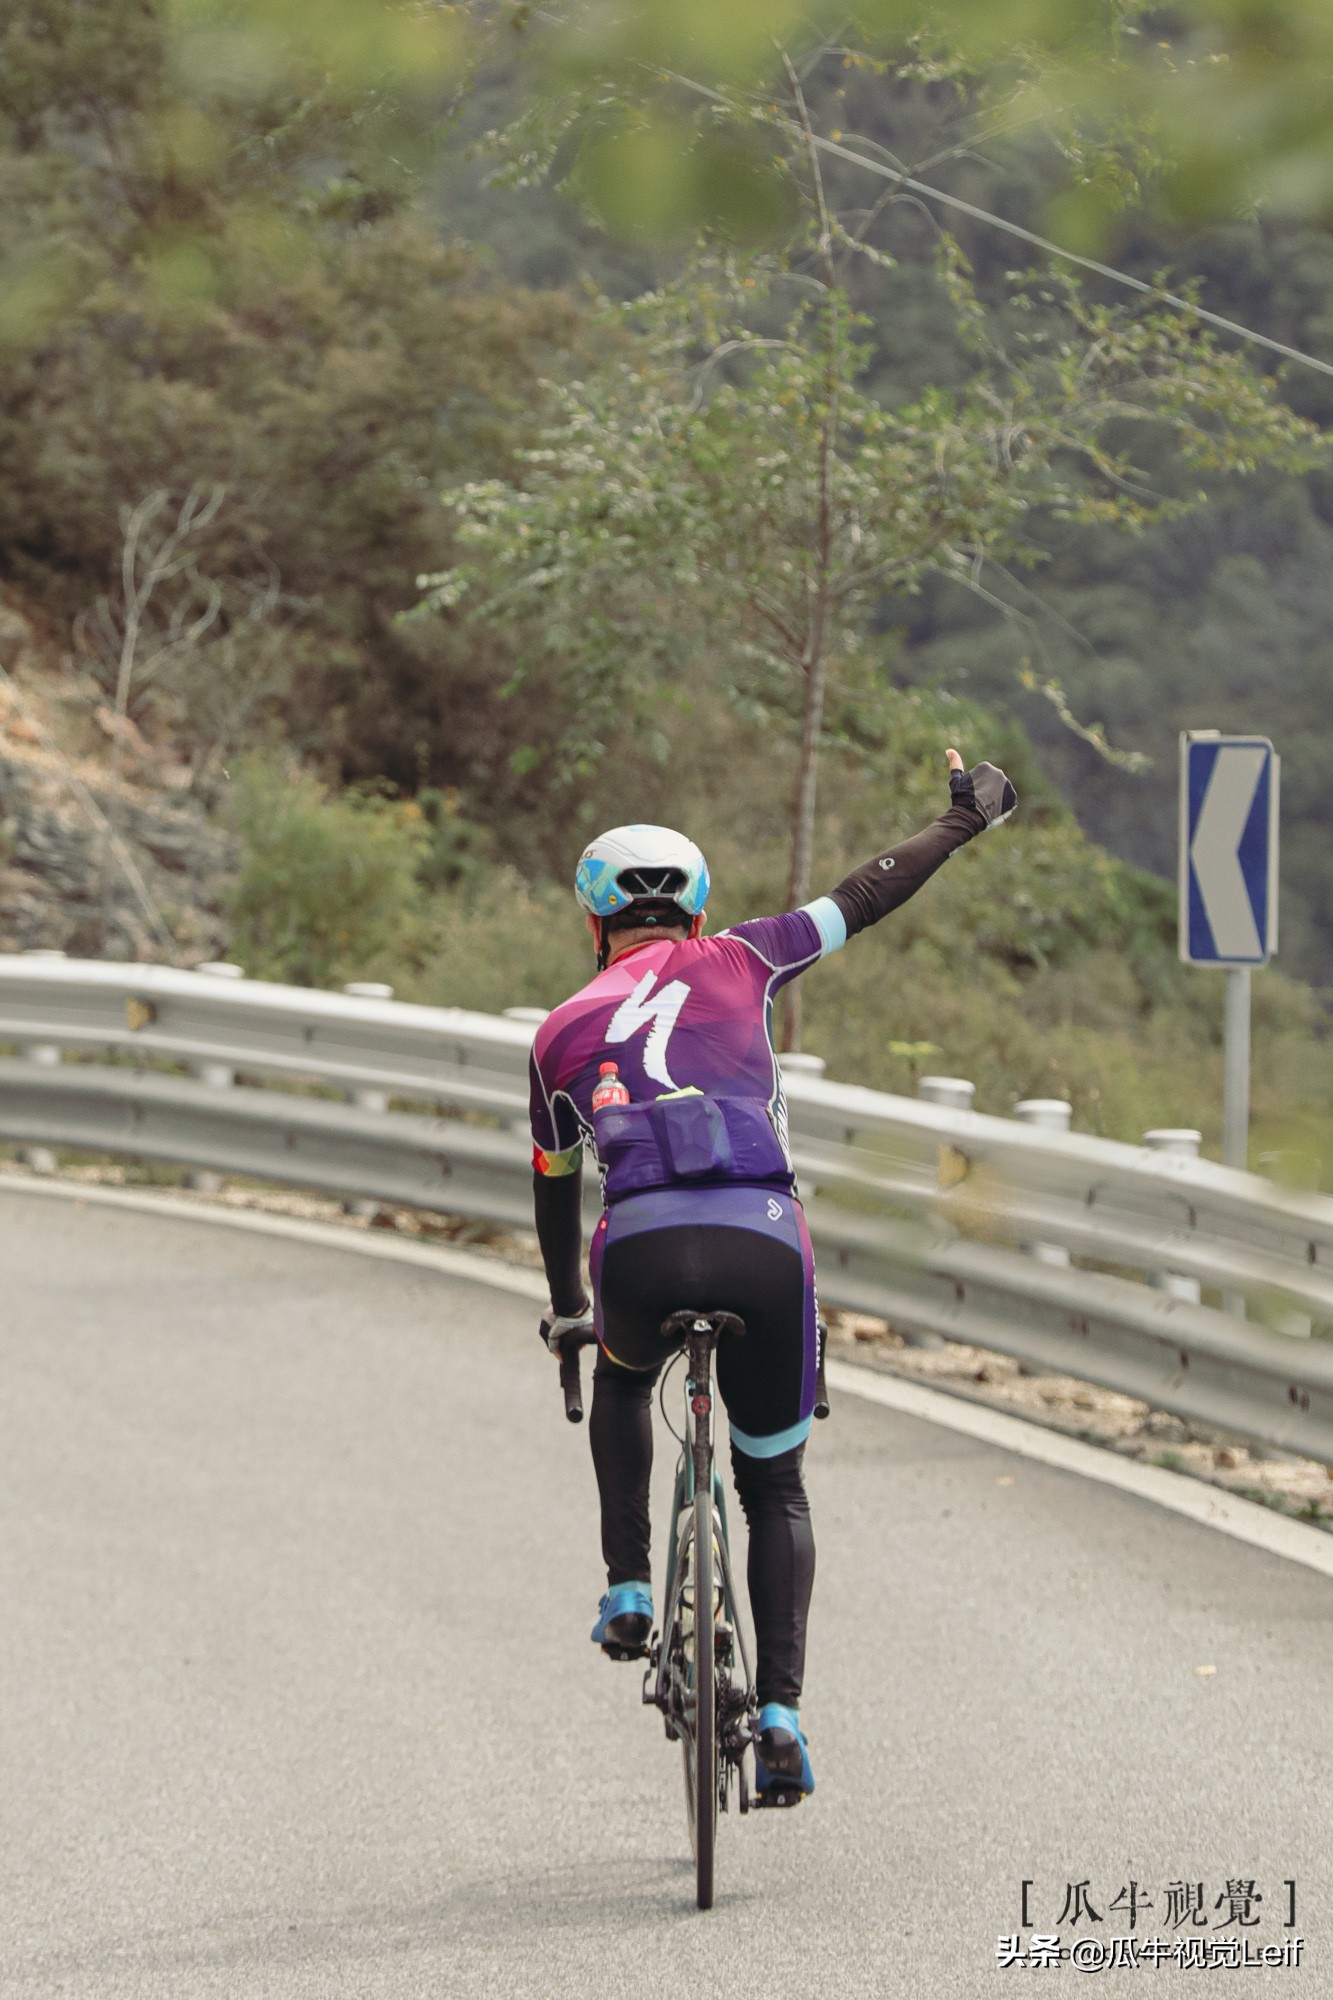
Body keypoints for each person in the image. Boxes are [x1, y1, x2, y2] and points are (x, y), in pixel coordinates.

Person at [529, 747, 1016, 1804]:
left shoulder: (558, 1031)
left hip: (642, 1246)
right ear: (696, 915)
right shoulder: (748, 957)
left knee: (619, 1371)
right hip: (761, 1237)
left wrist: (571, 1310)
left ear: (594, 924)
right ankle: (784, 1713)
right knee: (774, 1483)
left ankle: (625, 1584)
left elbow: (554, 1185)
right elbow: (864, 893)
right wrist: (965, 817)